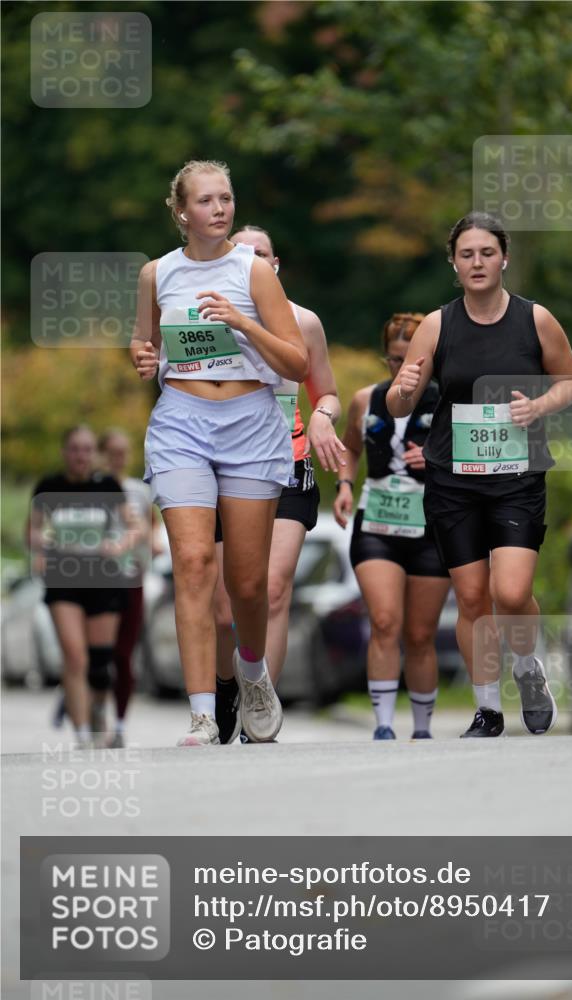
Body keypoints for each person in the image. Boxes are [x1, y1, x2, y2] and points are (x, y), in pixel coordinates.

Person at [130, 159, 308, 747]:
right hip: (182, 421)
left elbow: (296, 362)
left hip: (250, 423)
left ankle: (252, 673)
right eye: (206, 201)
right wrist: (143, 359)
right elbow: (145, 342)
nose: (219, 209)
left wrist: (242, 323)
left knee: (248, 583)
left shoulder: (254, 271)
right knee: (192, 563)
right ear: (181, 212)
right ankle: (203, 713)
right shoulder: (158, 274)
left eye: (226, 198)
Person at [387, 212, 572, 738]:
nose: (477, 262)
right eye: (467, 254)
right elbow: (398, 401)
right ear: (454, 263)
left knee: (512, 592)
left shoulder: (534, 319)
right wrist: (405, 385)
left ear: (505, 258)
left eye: (487, 253)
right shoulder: (437, 324)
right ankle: (487, 709)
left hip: (517, 473)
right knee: (472, 597)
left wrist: (539, 406)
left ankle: (527, 668)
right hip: (453, 475)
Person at [211, 226, 345, 743]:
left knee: (273, 588)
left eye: (260, 253)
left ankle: (259, 702)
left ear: (276, 264)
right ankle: (228, 683)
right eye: (240, 253)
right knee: (227, 605)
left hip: (287, 463)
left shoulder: (304, 322)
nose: (250, 260)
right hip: (226, 467)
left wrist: (322, 418)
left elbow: (327, 392)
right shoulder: (210, 314)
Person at [333, 313, 452, 740]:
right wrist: (345, 483)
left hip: (430, 526)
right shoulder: (367, 399)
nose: (402, 369)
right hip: (377, 522)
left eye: (411, 360)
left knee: (420, 633)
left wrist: (439, 459)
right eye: (394, 360)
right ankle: (383, 724)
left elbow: (474, 463)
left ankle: (422, 729)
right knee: (384, 621)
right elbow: (349, 446)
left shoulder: (448, 401)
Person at [28, 426, 129, 748]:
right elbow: (32, 530)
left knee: (100, 665)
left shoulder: (108, 486)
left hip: (104, 578)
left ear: (94, 454)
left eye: (87, 449)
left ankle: (98, 707)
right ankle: (83, 735)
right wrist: (41, 544)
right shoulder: (49, 487)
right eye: (74, 449)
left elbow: (135, 526)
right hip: (64, 579)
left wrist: (121, 544)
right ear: (64, 452)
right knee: (75, 659)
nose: (81, 455)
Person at [98, 429, 158, 748]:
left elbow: (150, 529)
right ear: (101, 454)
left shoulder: (138, 491)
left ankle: (118, 723)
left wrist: (133, 544)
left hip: (130, 576)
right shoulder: (89, 487)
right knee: (96, 654)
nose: (118, 459)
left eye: (123, 452)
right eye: (112, 452)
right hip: (94, 578)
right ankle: (93, 713)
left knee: (124, 653)